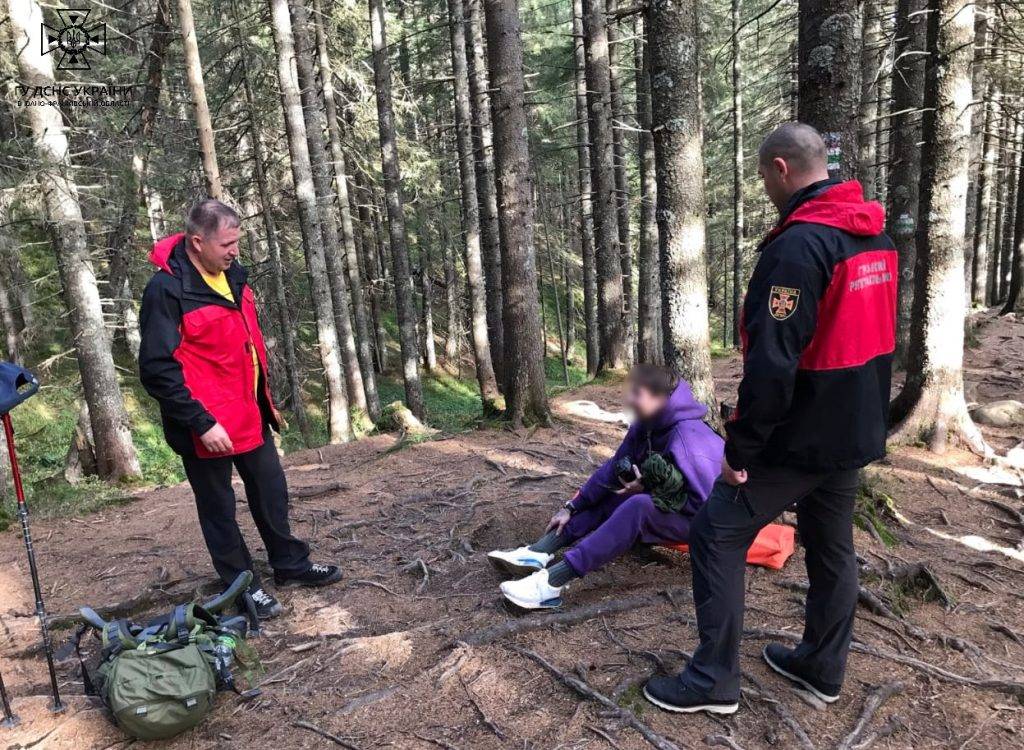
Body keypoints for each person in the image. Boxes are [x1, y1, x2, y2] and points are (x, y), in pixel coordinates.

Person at [643, 123, 897, 715]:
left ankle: (712, 679)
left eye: (763, 175)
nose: (764, 186)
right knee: (830, 543)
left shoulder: (799, 248)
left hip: (801, 432)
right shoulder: (875, 238)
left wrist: (741, 449)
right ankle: (821, 666)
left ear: (780, 168)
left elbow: (773, 364)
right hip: (855, 426)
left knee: (716, 532)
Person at [139, 199, 341, 620]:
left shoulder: (232, 274)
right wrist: (201, 422)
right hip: (204, 425)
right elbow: (157, 369)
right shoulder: (167, 290)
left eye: (237, 242)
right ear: (198, 242)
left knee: (271, 490)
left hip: (247, 412)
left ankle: (290, 565)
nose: (235, 251)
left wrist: (263, 400)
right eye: (226, 244)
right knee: (219, 509)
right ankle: (243, 586)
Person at [489, 365, 723, 610]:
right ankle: (539, 551)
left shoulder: (689, 441)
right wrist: (571, 507)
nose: (629, 400)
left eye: (637, 394)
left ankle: (550, 584)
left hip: (708, 524)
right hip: (679, 507)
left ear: (661, 397)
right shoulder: (646, 425)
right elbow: (612, 469)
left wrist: (650, 491)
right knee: (616, 492)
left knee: (638, 506)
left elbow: (707, 508)